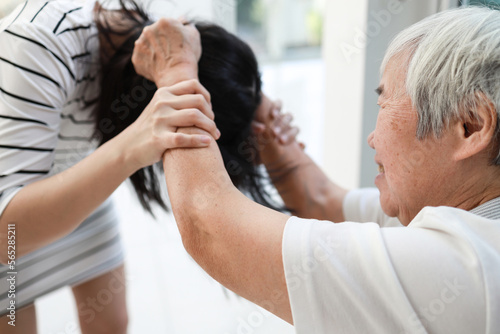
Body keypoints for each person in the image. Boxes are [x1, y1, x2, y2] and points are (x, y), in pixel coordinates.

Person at [133, 6, 500, 333]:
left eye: (385, 102)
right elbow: (322, 202)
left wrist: (176, 72)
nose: (373, 137)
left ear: (469, 126)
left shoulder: (462, 268)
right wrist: (262, 115)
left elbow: (209, 226)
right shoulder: (464, 218)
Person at [0, 0, 295, 333]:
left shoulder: (163, 44)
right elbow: (7, 235)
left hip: (72, 174)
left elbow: (222, 81)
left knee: (112, 323)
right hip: (11, 213)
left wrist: (258, 105)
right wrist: (135, 143)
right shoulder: (39, 43)